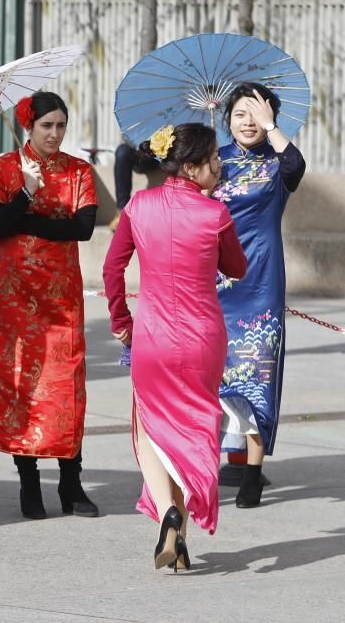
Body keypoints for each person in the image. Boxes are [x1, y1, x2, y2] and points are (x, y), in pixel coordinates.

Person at [103, 123, 248, 571]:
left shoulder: (138, 206)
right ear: (190, 166)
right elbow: (238, 268)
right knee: (191, 429)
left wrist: (121, 321)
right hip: (204, 337)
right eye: (213, 159)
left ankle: (168, 514)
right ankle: (179, 533)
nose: (220, 166)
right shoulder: (215, 214)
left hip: (154, 336)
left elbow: (113, 268)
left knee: (149, 428)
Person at [0, 92, 100, 520]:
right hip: (11, 294)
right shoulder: (2, 169)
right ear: (29, 126)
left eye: (60, 125)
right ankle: (28, 480)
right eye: (46, 125)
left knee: (66, 384)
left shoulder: (78, 170)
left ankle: (71, 481)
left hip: (60, 293)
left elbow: (83, 228)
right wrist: (25, 193)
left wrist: (26, 220)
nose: (54, 133)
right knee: (19, 384)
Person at [213, 82, 306, 508]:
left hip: (261, 283)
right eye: (239, 114)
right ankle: (210, 458)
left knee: (257, 375)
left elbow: (296, 163)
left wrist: (272, 128)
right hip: (213, 281)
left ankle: (252, 471)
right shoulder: (214, 162)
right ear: (226, 119)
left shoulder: (278, 164)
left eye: (257, 114)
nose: (247, 122)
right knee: (212, 374)